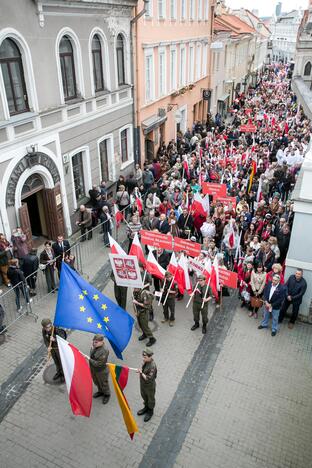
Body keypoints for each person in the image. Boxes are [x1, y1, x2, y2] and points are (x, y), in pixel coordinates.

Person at [137, 348, 157, 422]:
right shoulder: (145, 361)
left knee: (150, 399)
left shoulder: (152, 366)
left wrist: (141, 373)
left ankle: (150, 411)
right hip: (143, 384)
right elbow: (143, 369)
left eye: (145, 357)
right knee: (144, 396)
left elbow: (148, 378)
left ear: (150, 357)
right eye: (143, 357)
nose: (143, 358)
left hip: (149, 386)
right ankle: (146, 407)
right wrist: (142, 367)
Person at [89, 334, 111, 404]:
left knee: (103, 383)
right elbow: (92, 355)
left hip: (101, 371)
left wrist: (89, 359)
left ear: (101, 342)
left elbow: (99, 364)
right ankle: (100, 391)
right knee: (96, 382)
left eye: (96, 342)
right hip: (94, 370)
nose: (94, 343)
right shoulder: (94, 347)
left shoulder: (104, 351)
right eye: (93, 341)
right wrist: (92, 349)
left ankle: (107, 394)